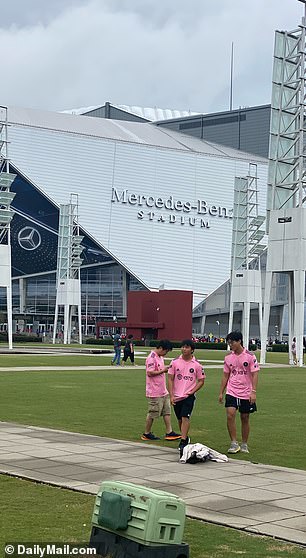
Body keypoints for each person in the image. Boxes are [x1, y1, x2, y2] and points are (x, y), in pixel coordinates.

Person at [219, 330, 259, 454]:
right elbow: (225, 375)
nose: (230, 345)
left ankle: (244, 444)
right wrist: (221, 392)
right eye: (229, 343)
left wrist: (253, 391)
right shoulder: (228, 358)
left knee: (245, 417)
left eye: (232, 343)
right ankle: (233, 442)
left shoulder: (250, 356)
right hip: (232, 390)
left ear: (239, 341)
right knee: (230, 414)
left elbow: (255, 374)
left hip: (246, 391)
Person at [168, 339, 205, 456]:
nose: (184, 349)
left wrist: (192, 391)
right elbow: (170, 378)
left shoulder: (197, 365)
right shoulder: (174, 362)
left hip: (188, 396)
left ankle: (183, 440)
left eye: (187, 347)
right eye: (183, 347)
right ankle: (185, 437)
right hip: (177, 395)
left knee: (185, 417)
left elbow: (201, 380)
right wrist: (171, 395)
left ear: (192, 350)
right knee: (180, 419)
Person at [141, 340, 181, 442]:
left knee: (167, 411)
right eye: (166, 351)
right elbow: (149, 373)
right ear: (161, 348)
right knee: (152, 412)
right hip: (154, 391)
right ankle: (146, 433)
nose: (166, 353)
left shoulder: (160, 357)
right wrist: (163, 371)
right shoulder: (151, 358)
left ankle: (169, 432)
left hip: (163, 390)